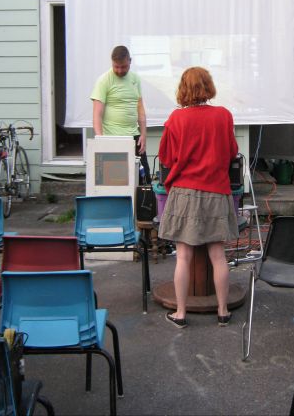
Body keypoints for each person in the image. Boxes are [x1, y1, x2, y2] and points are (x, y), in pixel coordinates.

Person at [157, 67, 239, 329]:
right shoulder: (223, 116)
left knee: (183, 257)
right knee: (218, 255)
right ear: (208, 86)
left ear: (183, 88)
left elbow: (167, 158)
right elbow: (232, 153)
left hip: (184, 193)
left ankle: (181, 314)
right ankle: (223, 311)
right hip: (216, 191)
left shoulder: (176, 119)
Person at [90, 45, 151, 183]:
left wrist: (143, 135)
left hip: (133, 136)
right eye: (116, 66)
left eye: (123, 67)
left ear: (130, 61)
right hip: (112, 137)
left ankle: (140, 205)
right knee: (116, 181)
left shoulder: (136, 79)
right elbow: (97, 114)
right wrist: (101, 140)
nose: (119, 70)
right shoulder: (104, 80)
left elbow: (140, 108)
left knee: (144, 179)